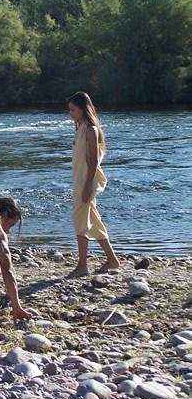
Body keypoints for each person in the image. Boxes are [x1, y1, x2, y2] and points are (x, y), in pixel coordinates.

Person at [66, 92, 120, 278]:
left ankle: (82, 266)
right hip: (79, 182)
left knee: (80, 222)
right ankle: (112, 260)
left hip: (86, 183)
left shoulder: (91, 130)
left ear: (83, 108)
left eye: (73, 109)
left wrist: (88, 186)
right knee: (94, 222)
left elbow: (95, 161)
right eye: (70, 110)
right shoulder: (80, 128)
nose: (71, 113)